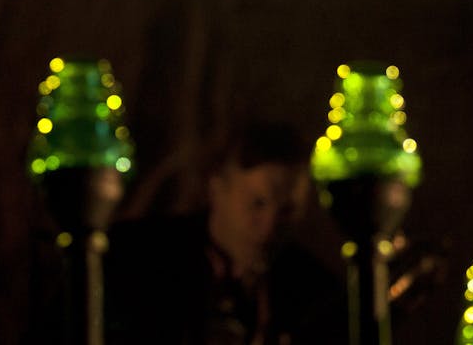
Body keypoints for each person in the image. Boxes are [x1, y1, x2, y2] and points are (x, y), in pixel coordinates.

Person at [105, 121, 344, 344]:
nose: (270, 225)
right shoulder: (137, 259)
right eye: (257, 203)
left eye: (287, 210)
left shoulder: (316, 295)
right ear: (217, 188)